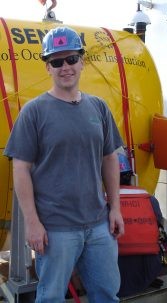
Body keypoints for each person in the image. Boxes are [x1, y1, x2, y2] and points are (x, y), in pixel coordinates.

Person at [4, 26, 124, 303]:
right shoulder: (33, 111)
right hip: (56, 229)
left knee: (107, 294)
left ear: (82, 61)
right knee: (51, 298)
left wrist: (115, 208)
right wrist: (33, 224)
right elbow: (21, 169)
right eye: (57, 62)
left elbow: (109, 159)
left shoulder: (99, 107)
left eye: (71, 59)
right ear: (48, 67)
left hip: (98, 225)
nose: (65, 67)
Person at [116, 151, 164, 297]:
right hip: (148, 272)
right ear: (131, 177)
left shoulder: (101, 203)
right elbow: (159, 228)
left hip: (112, 279)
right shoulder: (150, 200)